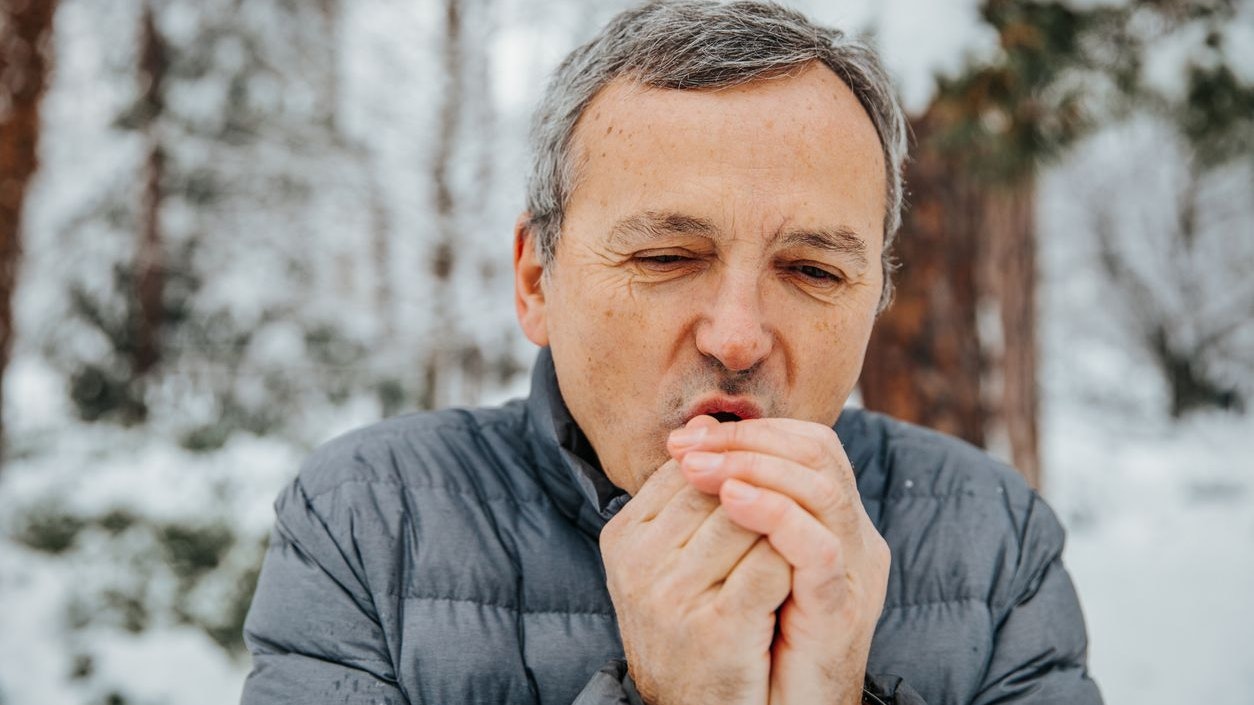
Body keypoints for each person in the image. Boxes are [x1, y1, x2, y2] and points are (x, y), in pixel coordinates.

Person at [240, 2, 1102, 704]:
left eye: (812, 269)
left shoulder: (994, 540)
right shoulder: (368, 523)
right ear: (537, 282)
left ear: (874, 296)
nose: (737, 336)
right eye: (665, 257)